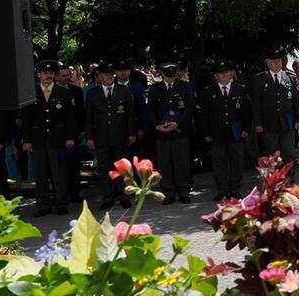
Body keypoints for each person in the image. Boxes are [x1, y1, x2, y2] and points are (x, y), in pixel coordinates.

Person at [21, 60, 77, 216]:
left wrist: (70, 137)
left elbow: (70, 118)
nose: (48, 76)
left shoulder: (64, 92)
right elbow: (26, 119)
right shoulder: (30, 93)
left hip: (57, 139)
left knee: (59, 174)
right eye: (45, 73)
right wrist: (26, 140)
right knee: (41, 174)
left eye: (51, 73)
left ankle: (61, 204)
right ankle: (43, 205)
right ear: (38, 74)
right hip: (37, 139)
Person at [85, 62, 136, 210]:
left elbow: (130, 114)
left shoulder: (124, 90)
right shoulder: (92, 93)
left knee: (122, 168)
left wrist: (131, 133)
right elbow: (88, 117)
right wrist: (89, 137)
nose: (109, 77)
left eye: (110, 74)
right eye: (105, 74)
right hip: (101, 138)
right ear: (99, 76)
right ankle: (108, 197)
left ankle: (124, 196)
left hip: (120, 137)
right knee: (104, 168)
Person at [199, 63, 251, 201]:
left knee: (237, 161)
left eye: (227, 72)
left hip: (236, 132)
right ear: (216, 76)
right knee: (219, 162)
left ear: (231, 73)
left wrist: (247, 129)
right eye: (221, 73)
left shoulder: (240, 90)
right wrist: (206, 133)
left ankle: (234, 189)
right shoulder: (209, 92)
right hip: (217, 134)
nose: (224, 75)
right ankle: (222, 190)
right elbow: (204, 115)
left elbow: (246, 112)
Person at [146, 62, 196, 203]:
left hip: (180, 131)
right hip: (162, 132)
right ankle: (168, 192)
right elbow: (151, 110)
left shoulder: (185, 87)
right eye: (166, 74)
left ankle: (184, 191)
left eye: (172, 74)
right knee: (165, 163)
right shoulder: (155, 88)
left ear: (176, 74)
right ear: (161, 73)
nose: (169, 77)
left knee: (182, 162)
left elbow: (189, 108)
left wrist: (177, 124)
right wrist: (156, 125)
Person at [249, 50, 299, 167]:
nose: (277, 63)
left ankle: (289, 181)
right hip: (268, 124)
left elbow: (297, 100)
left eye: (279, 60)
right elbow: (256, 104)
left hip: (287, 123)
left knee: (288, 153)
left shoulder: (290, 78)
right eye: (273, 61)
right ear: (268, 63)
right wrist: (258, 123)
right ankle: (274, 183)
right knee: (272, 155)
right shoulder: (260, 80)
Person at [55, 62, 85, 202]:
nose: (66, 78)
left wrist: (80, 131)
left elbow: (80, 113)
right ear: (56, 76)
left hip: (73, 133)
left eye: (68, 75)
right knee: (58, 167)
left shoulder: (76, 90)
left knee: (73, 165)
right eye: (63, 76)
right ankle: (60, 194)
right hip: (55, 134)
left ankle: (75, 193)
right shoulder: (51, 91)